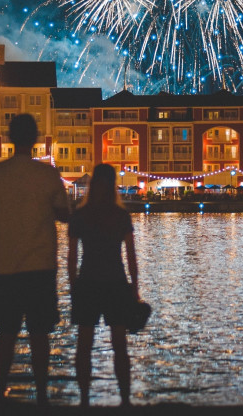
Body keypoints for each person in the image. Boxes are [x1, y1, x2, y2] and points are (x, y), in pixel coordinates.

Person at [0, 113, 70, 407]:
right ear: (35, 139)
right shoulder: (48, 175)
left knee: (6, 332)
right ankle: (42, 396)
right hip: (41, 266)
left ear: (8, 138)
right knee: (40, 333)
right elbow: (65, 213)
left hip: (6, 266)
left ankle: (0, 395)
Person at [68, 163, 140, 408]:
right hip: (115, 282)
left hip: (87, 281)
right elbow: (130, 255)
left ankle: (85, 399)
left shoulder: (80, 214)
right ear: (113, 185)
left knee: (84, 345)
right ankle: (125, 399)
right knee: (120, 345)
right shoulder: (120, 216)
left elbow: (71, 256)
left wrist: (73, 285)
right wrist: (135, 287)